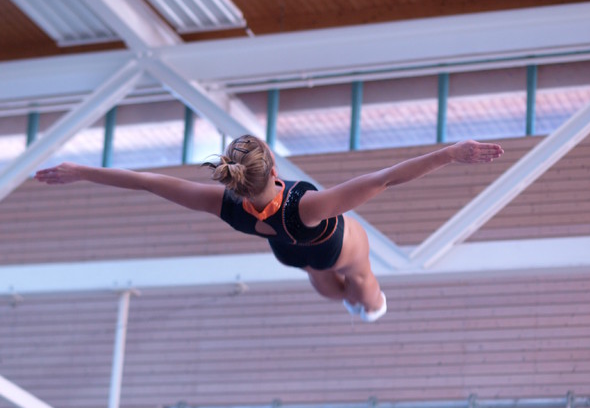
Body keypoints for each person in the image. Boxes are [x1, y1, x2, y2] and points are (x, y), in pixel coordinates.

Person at [34, 136, 503, 322]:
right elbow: (385, 179)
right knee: (361, 283)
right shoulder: (309, 205)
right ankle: (372, 307)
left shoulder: (223, 204)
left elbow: (147, 182)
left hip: (291, 253)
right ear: (274, 168)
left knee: (330, 288)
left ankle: (362, 306)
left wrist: (82, 171)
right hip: (335, 246)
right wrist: (449, 154)